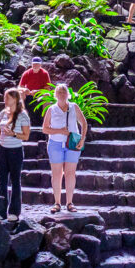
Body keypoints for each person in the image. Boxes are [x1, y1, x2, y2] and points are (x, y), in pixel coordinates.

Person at [42, 84, 88, 213]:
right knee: (56, 174)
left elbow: (83, 123)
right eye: (59, 92)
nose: (62, 94)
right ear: (55, 95)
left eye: (64, 92)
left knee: (70, 173)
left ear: (68, 94)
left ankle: (69, 202)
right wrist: (60, 131)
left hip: (72, 144)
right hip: (55, 144)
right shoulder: (51, 109)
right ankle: (57, 202)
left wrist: (82, 138)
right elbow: (45, 129)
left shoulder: (74, 107)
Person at [0, 88, 31, 220]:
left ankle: (14, 211)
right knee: (2, 181)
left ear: (15, 99)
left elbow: (26, 136)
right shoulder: (2, 113)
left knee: (15, 181)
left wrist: (13, 134)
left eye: (7, 98)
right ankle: (0, 211)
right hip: (2, 149)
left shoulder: (23, 115)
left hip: (15, 150)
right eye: (5, 97)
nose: (5, 100)